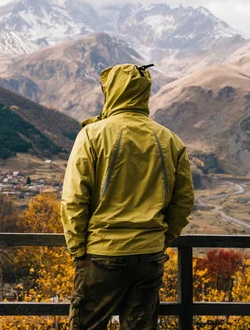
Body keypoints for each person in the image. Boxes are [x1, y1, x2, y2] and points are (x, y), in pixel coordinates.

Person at [61, 63, 194, 330]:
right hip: (149, 256)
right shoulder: (170, 140)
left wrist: (78, 250)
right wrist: (161, 238)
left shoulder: (92, 135)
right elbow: (183, 202)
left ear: (111, 91)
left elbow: (74, 199)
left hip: (101, 254)